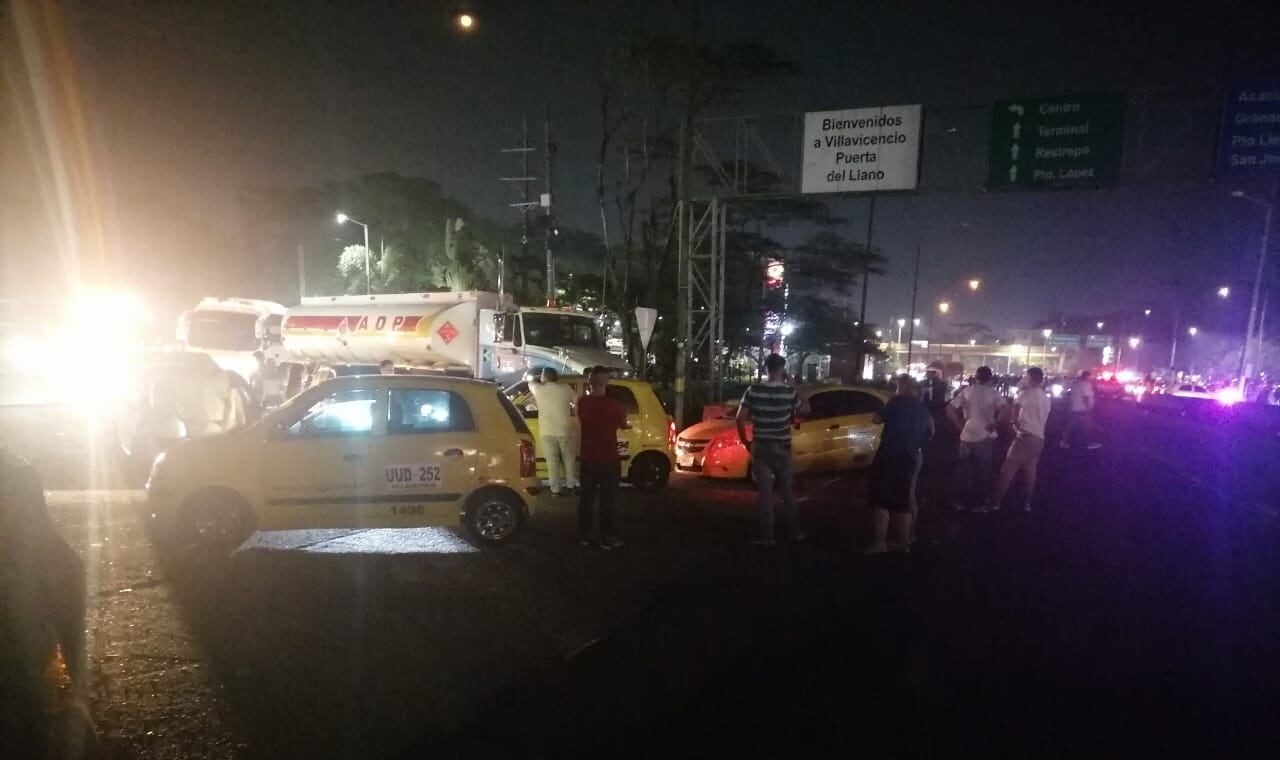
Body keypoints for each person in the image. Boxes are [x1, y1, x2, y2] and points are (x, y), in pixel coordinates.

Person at [736, 353, 809, 545]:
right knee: (787, 492)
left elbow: (739, 418)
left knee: (765, 494)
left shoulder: (753, 390)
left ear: (765, 369)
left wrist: (746, 442)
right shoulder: (789, 393)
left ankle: (767, 536)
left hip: (761, 446)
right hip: (783, 447)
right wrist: (795, 386)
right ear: (782, 370)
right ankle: (795, 532)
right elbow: (806, 409)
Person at [866, 375, 934, 554]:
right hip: (911, 456)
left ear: (902, 387)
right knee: (904, 498)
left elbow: (876, 419)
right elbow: (930, 432)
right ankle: (905, 542)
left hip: (889, 454)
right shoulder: (921, 407)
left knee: (881, 499)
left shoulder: (895, 402)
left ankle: (880, 544)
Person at [576, 366, 629, 549]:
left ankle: (585, 535)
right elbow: (623, 424)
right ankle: (607, 537)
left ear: (589, 381)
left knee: (586, 498)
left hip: (588, 456)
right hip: (608, 457)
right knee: (608, 499)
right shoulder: (615, 405)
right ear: (607, 381)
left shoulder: (582, 402)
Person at [995, 367, 1052, 513]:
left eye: (1026, 377)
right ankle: (1027, 503)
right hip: (1039, 438)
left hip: (1024, 436)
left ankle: (995, 502)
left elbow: (1014, 416)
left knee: (1007, 470)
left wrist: (1016, 427)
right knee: (1030, 471)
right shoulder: (1046, 398)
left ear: (1030, 378)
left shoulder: (1025, 395)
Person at [947, 365, 1001, 512]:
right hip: (985, 436)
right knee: (982, 471)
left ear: (975, 378)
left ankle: (961, 502)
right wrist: (995, 424)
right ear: (990, 378)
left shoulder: (967, 391)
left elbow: (949, 409)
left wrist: (960, 426)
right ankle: (980, 503)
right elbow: (1005, 409)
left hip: (967, 435)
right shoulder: (993, 393)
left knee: (964, 470)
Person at [528, 367, 579, 496]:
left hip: (547, 431)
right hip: (565, 430)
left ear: (544, 377)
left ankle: (555, 489)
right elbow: (578, 400)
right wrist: (574, 411)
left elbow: (531, 382)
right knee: (569, 459)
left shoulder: (538, 389)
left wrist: (538, 378)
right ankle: (571, 485)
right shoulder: (565, 388)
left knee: (552, 462)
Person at [1061, 370, 1099, 449]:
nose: (1091, 379)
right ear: (1087, 377)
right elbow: (1086, 397)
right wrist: (1088, 409)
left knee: (1070, 427)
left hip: (1074, 409)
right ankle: (1090, 443)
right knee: (1087, 427)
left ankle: (1063, 442)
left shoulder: (1076, 384)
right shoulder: (1085, 385)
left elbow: (1070, 396)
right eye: (1090, 377)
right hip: (1082, 410)